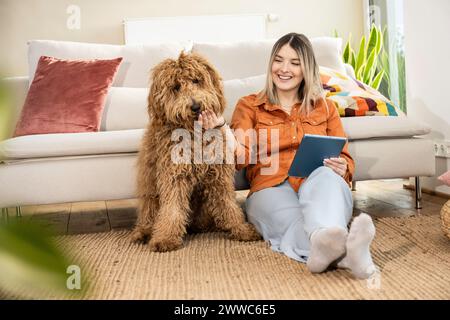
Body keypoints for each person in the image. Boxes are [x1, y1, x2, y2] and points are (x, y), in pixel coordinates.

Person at [198, 33, 376, 279]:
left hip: (318, 181)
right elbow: (241, 158)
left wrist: (340, 166)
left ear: (307, 69)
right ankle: (346, 253)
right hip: (269, 188)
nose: (284, 69)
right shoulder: (249, 105)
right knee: (295, 222)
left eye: (294, 62)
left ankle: (327, 248)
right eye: (278, 60)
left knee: (327, 180)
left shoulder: (324, 107)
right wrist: (221, 129)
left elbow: (345, 159)